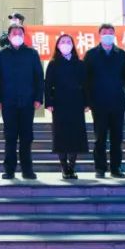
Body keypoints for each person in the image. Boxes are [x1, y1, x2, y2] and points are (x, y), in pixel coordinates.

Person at [0, 23, 43, 180]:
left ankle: (27, 170)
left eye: (20, 33)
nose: (17, 35)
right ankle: (9, 170)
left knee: (27, 137)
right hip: (8, 102)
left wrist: (38, 98)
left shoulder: (32, 53)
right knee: (10, 137)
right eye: (14, 33)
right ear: (9, 36)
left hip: (28, 101)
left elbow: (38, 77)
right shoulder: (2, 55)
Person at [83, 23, 125, 178]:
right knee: (100, 137)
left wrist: (118, 88)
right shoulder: (91, 55)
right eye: (105, 32)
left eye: (110, 32)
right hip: (98, 103)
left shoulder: (122, 54)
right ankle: (100, 168)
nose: (108, 35)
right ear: (99, 35)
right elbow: (86, 80)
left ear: (114, 35)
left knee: (117, 137)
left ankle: (116, 168)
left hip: (117, 102)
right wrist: (88, 101)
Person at [45, 34, 88, 180]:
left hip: (76, 103)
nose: (66, 44)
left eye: (68, 41)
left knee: (75, 135)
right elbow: (47, 84)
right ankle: (64, 167)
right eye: (62, 42)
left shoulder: (80, 63)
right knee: (61, 135)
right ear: (57, 45)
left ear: (73, 45)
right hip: (59, 104)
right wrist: (49, 102)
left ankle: (72, 167)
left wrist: (86, 103)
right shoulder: (53, 64)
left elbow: (86, 85)